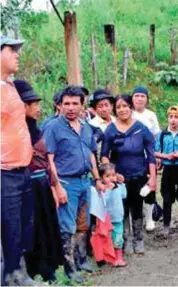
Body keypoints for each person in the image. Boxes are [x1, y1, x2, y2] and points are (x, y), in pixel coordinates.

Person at [43, 85, 103, 283]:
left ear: (82, 104)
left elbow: (91, 154)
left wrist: (97, 179)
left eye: (74, 103)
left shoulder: (86, 127)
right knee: (67, 227)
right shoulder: (53, 127)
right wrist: (56, 186)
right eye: (66, 103)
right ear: (59, 105)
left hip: (85, 182)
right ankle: (69, 269)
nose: (70, 107)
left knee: (83, 225)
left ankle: (82, 259)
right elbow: (49, 159)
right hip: (66, 182)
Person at [13, 79, 62, 283]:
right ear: (23, 106)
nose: (39, 109)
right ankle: (31, 271)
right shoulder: (13, 130)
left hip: (42, 184)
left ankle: (48, 269)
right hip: (25, 186)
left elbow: (46, 161)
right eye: (35, 104)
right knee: (31, 230)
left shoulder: (36, 129)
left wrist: (54, 186)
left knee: (48, 226)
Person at [0, 36, 38, 286]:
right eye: (11, 50)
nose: (17, 54)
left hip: (22, 170)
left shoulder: (10, 86)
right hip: (5, 172)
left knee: (24, 227)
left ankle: (17, 274)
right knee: (10, 229)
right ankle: (10, 276)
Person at [101, 94, 156, 254]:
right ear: (115, 110)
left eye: (125, 106)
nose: (122, 110)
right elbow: (104, 155)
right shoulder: (110, 130)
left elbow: (151, 155)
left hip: (138, 174)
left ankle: (138, 240)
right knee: (121, 209)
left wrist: (152, 178)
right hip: (118, 178)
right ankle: (124, 240)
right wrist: (111, 174)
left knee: (137, 206)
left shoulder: (141, 128)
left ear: (131, 107)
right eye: (118, 107)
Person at [155, 106, 178, 237]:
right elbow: (155, 151)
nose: (173, 120)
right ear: (168, 118)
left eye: (176, 117)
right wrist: (165, 156)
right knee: (166, 198)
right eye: (171, 117)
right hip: (168, 169)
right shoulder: (162, 135)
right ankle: (166, 225)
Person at [131, 86, 160, 232]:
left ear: (147, 99)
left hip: (148, 157)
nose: (140, 98)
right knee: (134, 188)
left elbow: (156, 136)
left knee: (149, 187)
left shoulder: (151, 115)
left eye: (143, 96)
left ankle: (149, 218)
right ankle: (135, 219)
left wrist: (156, 155)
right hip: (131, 158)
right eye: (137, 95)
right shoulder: (128, 113)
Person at [99, 163, 127, 267]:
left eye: (113, 175)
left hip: (118, 218)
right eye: (107, 176)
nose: (111, 178)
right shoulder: (103, 190)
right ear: (101, 179)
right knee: (109, 240)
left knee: (118, 239)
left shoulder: (118, 187)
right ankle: (112, 259)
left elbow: (124, 195)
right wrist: (108, 190)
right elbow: (104, 201)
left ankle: (119, 258)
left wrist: (122, 184)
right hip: (107, 220)